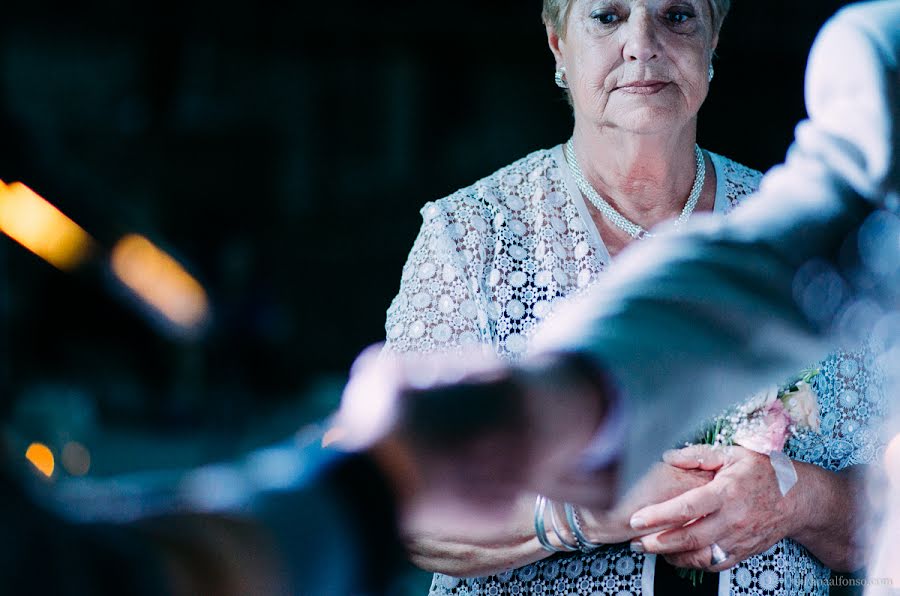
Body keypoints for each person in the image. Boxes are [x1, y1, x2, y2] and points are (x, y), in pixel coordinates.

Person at [380, 0, 885, 593]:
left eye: (677, 16)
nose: (642, 43)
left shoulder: (807, 229)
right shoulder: (469, 235)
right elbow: (403, 502)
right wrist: (583, 510)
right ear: (557, 44)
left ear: (712, 39)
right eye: (607, 16)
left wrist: (799, 501)